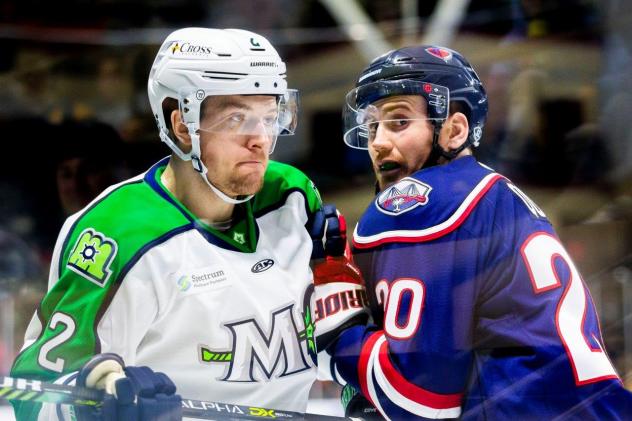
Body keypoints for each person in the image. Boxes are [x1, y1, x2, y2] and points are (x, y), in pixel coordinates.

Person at [11, 28, 330, 420]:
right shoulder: (118, 234)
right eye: (236, 119)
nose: (260, 139)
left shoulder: (292, 196)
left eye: (269, 116)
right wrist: (95, 406)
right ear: (182, 126)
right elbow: (34, 398)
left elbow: (325, 332)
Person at [315, 45, 632, 419]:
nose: (379, 142)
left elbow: (420, 399)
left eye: (398, 122)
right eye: (372, 126)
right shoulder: (501, 197)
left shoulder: (419, 201)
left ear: (454, 130)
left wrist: (340, 336)